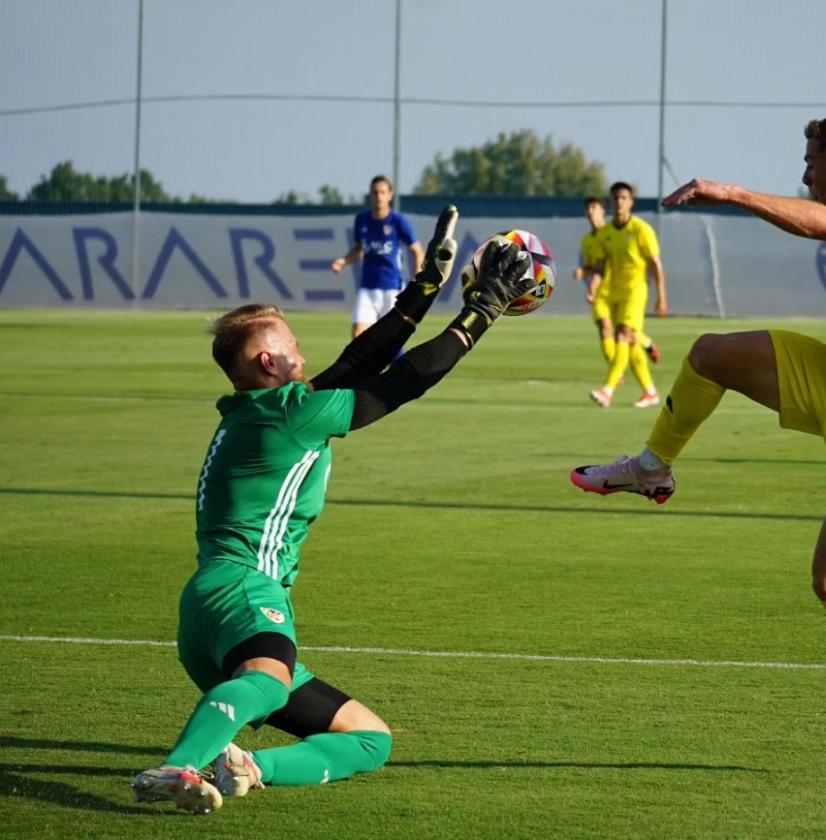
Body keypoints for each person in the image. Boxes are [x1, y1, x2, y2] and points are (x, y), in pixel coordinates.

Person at [570, 113, 826, 745]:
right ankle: (653, 467)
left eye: (812, 163)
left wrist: (730, 193)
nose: (803, 175)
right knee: (709, 354)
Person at [131, 207, 535, 814]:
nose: (302, 352)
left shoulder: (265, 409)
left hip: (212, 605)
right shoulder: (292, 413)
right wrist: (480, 315)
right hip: (242, 591)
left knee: (370, 738)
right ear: (269, 363)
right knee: (267, 680)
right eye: (292, 345)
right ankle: (177, 768)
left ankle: (244, 767)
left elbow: (355, 363)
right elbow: (397, 383)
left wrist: (423, 288)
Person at [587, 182, 668, 409]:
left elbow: (655, 264)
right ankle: (650, 392)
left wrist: (661, 296)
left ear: (631, 202)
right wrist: (593, 287)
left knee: (623, 334)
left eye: (624, 197)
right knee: (631, 344)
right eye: (615, 198)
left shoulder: (642, 230)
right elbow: (601, 268)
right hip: (615, 294)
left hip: (636, 291)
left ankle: (608, 389)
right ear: (611, 202)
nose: (619, 202)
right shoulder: (606, 234)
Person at [330, 175, 425, 338]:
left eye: (382, 192)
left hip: (392, 289)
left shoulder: (398, 221)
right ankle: (365, 365)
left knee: (391, 339)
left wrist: (417, 277)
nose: (378, 196)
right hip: (367, 288)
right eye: (375, 192)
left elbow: (417, 250)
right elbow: (359, 248)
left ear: (390, 195)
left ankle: (400, 364)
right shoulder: (362, 220)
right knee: (358, 335)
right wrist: (343, 261)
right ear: (370, 195)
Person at [573, 196, 662, 371]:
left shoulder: (611, 233)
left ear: (603, 211)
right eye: (588, 209)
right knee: (605, 328)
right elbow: (593, 266)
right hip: (601, 293)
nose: (591, 212)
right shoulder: (586, 240)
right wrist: (584, 274)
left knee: (624, 333)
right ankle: (617, 373)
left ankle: (644, 348)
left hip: (619, 290)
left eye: (594, 208)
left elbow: (611, 262)